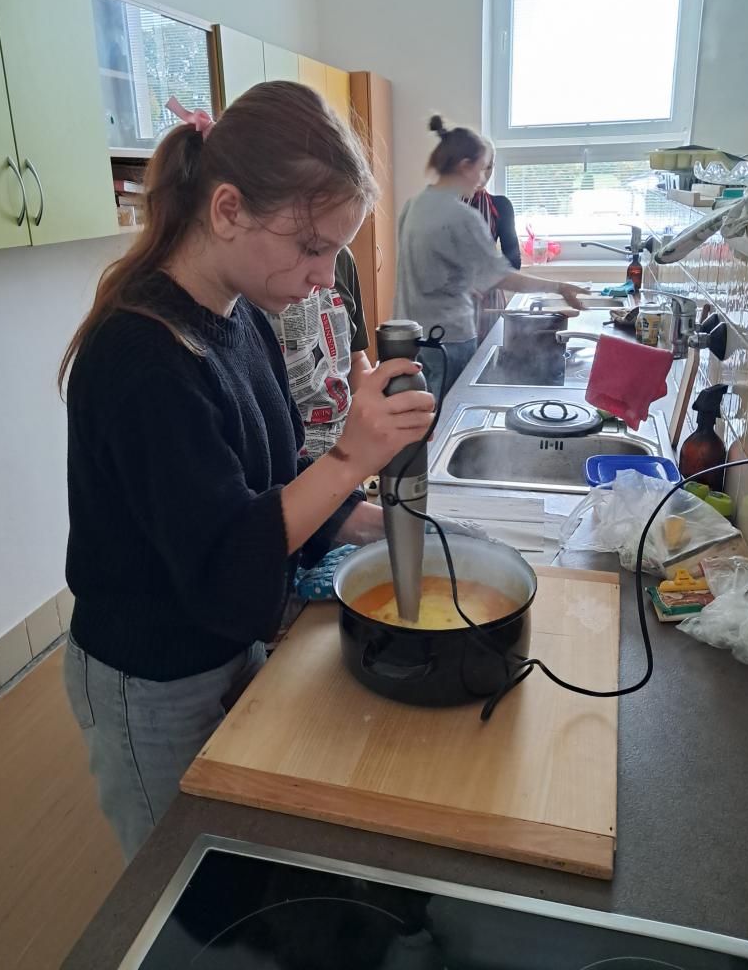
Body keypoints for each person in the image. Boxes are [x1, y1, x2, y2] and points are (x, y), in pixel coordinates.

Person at [58, 82, 434, 862]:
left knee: (243, 847)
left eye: (334, 252)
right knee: (182, 878)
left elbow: (273, 477)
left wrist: (375, 521)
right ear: (227, 209)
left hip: (228, 640)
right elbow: (228, 554)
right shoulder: (141, 359)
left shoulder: (243, 319)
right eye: (311, 248)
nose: (325, 276)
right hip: (152, 672)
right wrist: (351, 459)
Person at [394, 115, 580, 401]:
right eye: (481, 169)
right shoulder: (461, 215)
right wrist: (559, 287)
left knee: (421, 411)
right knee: (451, 412)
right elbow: (501, 275)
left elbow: (420, 267)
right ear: (464, 166)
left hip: (413, 337)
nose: (482, 179)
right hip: (450, 337)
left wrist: (459, 281)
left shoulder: (413, 205)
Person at [266, 246, 371, 460]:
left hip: (346, 444)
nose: (328, 279)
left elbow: (356, 359)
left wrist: (377, 405)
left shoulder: (341, 258)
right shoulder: (253, 276)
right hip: (283, 456)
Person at [465, 141, 523, 341]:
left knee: (487, 355)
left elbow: (513, 262)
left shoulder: (501, 206)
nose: (483, 174)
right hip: (451, 302)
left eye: (488, 167)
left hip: (488, 300)